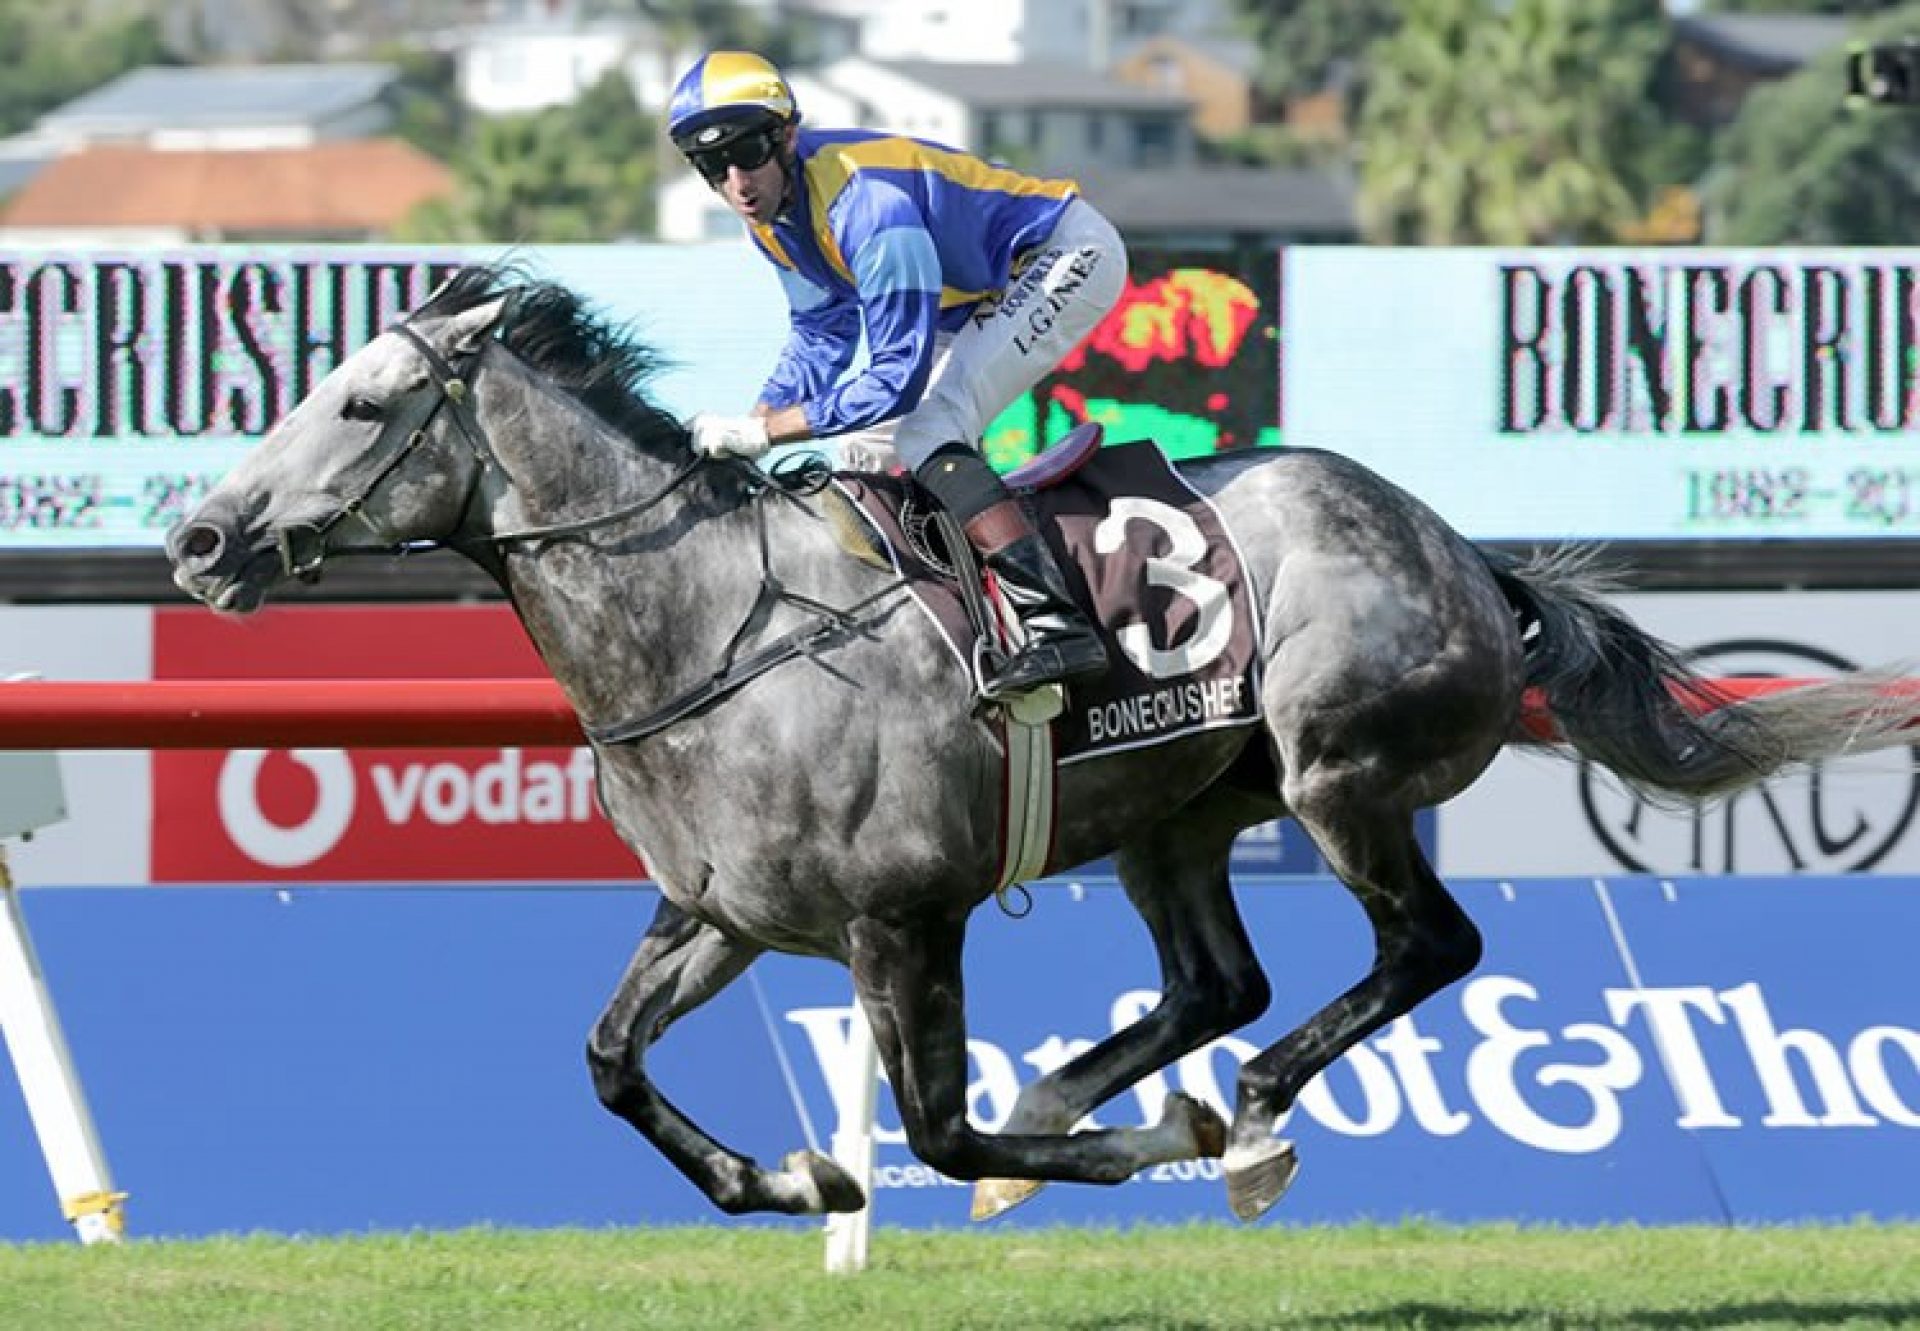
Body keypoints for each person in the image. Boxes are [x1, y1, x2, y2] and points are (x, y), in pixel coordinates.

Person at [668, 50, 1127, 699]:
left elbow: (897, 380)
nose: (737, 181)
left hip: (1060, 255)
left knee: (931, 424)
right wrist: (757, 417)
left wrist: (770, 436)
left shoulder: (867, 207)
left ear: (787, 137)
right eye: (713, 165)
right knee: (862, 456)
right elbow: (822, 333)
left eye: (748, 152)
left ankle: (1056, 625)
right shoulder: (771, 220)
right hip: (972, 294)